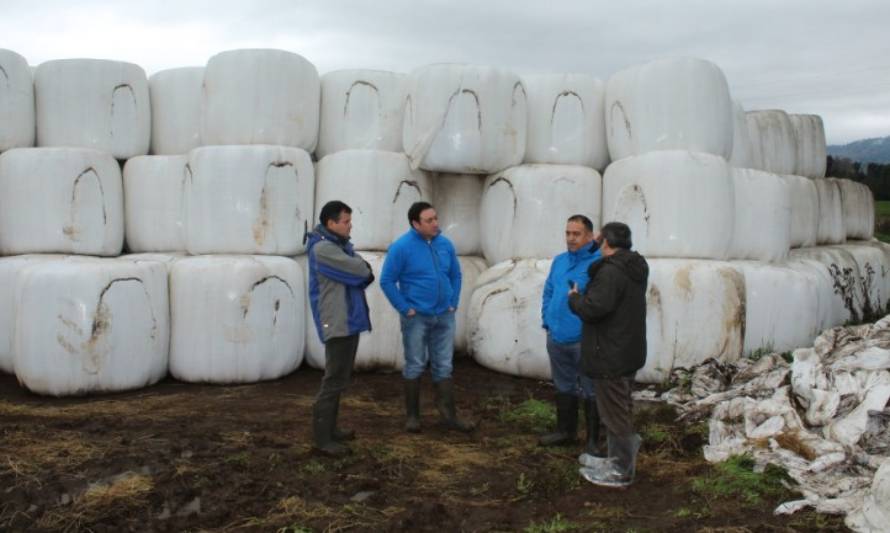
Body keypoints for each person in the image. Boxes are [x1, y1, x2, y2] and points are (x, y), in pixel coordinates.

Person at [380, 201, 474, 433]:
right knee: (415, 364)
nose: (435, 224)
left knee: (444, 365)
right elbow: (387, 280)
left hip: (444, 315)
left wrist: (453, 302)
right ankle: (413, 417)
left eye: (436, 218)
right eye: (429, 220)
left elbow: (456, 275)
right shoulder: (401, 247)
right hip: (417, 317)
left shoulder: (445, 245)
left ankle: (449, 416)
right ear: (415, 223)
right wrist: (405, 308)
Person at [568, 221, 648, 487]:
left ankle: (621, 470)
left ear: (605, 243)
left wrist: (575, 298)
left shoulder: (611, 273)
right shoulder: (635, 266)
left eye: (598, 241)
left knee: (613, 412)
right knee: (622, 405)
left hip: (610, 353)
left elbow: (594, 308)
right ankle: (619, 456)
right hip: (627, 350)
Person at [306, 200, 375, 456]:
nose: (350, 226)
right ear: (330, 223)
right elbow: (361, 270)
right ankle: (323, 438)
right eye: (345, 221)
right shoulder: (324, 249)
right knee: (333, 379)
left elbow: (364, 274)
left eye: (350, 220)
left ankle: (332, 429)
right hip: (337, 320)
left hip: (349, 318)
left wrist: (362, 269)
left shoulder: (340, 245)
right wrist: (361, 268)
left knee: (341, 378)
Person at [540, 215, 603, 455]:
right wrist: (547, 320)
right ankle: (565, 432)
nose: (570, 238)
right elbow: (548, 291)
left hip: (583, 338)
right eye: (568, 233)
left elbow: (600, 301)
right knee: (563, 384)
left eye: (576, 234)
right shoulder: (559, 261)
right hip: (556, 336)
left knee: (590, 389)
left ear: (589, 235)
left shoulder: (598, 264)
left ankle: (593, 441)